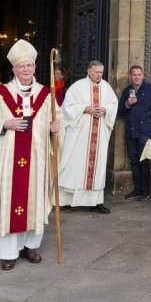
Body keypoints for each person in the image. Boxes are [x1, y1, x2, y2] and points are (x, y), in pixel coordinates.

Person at [0, 38, 62, 271]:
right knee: (8, 199)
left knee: (34, 197)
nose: (25, 70)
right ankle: (8, 252)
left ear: (35, 67)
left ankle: (30, 246)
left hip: (36, 160)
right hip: (7, 161)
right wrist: (5, 123)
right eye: (21, 66)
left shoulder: (46, 94)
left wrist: (56, 129)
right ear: (13, 70)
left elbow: (58, 120)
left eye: (29, 66)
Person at [58, 60, 118, 213]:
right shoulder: (77, 87)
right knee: (74, 165)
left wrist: (105, 109)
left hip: (98, 136)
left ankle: (96, 202)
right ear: (89, 71)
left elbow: (113, 103)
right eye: (97, 72)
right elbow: (66, 107)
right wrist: (85, 108)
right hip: (80, 135)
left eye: (101, 72)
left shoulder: (106, 87)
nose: (100, 75)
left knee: (97, 167)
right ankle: (67, 200)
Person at [118, 65, 151, 200]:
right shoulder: (127, 91)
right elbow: (119, 111)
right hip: (131, 131)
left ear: (143, 76)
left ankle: (145, 191)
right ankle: (137, 189)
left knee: (143, 161)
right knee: (134, 161)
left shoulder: (150, 88)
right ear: (130, 76)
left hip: (145, 132)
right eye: (134, 75)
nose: (137, 77)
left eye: (139, 74)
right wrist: (127, 104)